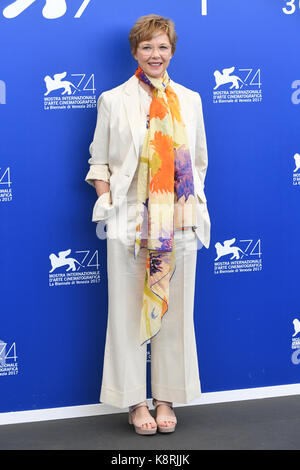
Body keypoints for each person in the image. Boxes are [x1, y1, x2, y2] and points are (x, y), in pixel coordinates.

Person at [85, 14, 211, 435]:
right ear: (135, 52)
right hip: (127, 227)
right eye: (146, 47)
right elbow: (98, 161)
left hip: (178, 225)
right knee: (125, 317)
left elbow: (198, 160)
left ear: (172, 51)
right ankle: (135, 402)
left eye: (162, 47)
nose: (155, 55)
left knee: (173, 315)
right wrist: (107, 203)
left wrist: (185, 207)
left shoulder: (190, 99)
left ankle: (166, 397)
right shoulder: (113, 99)